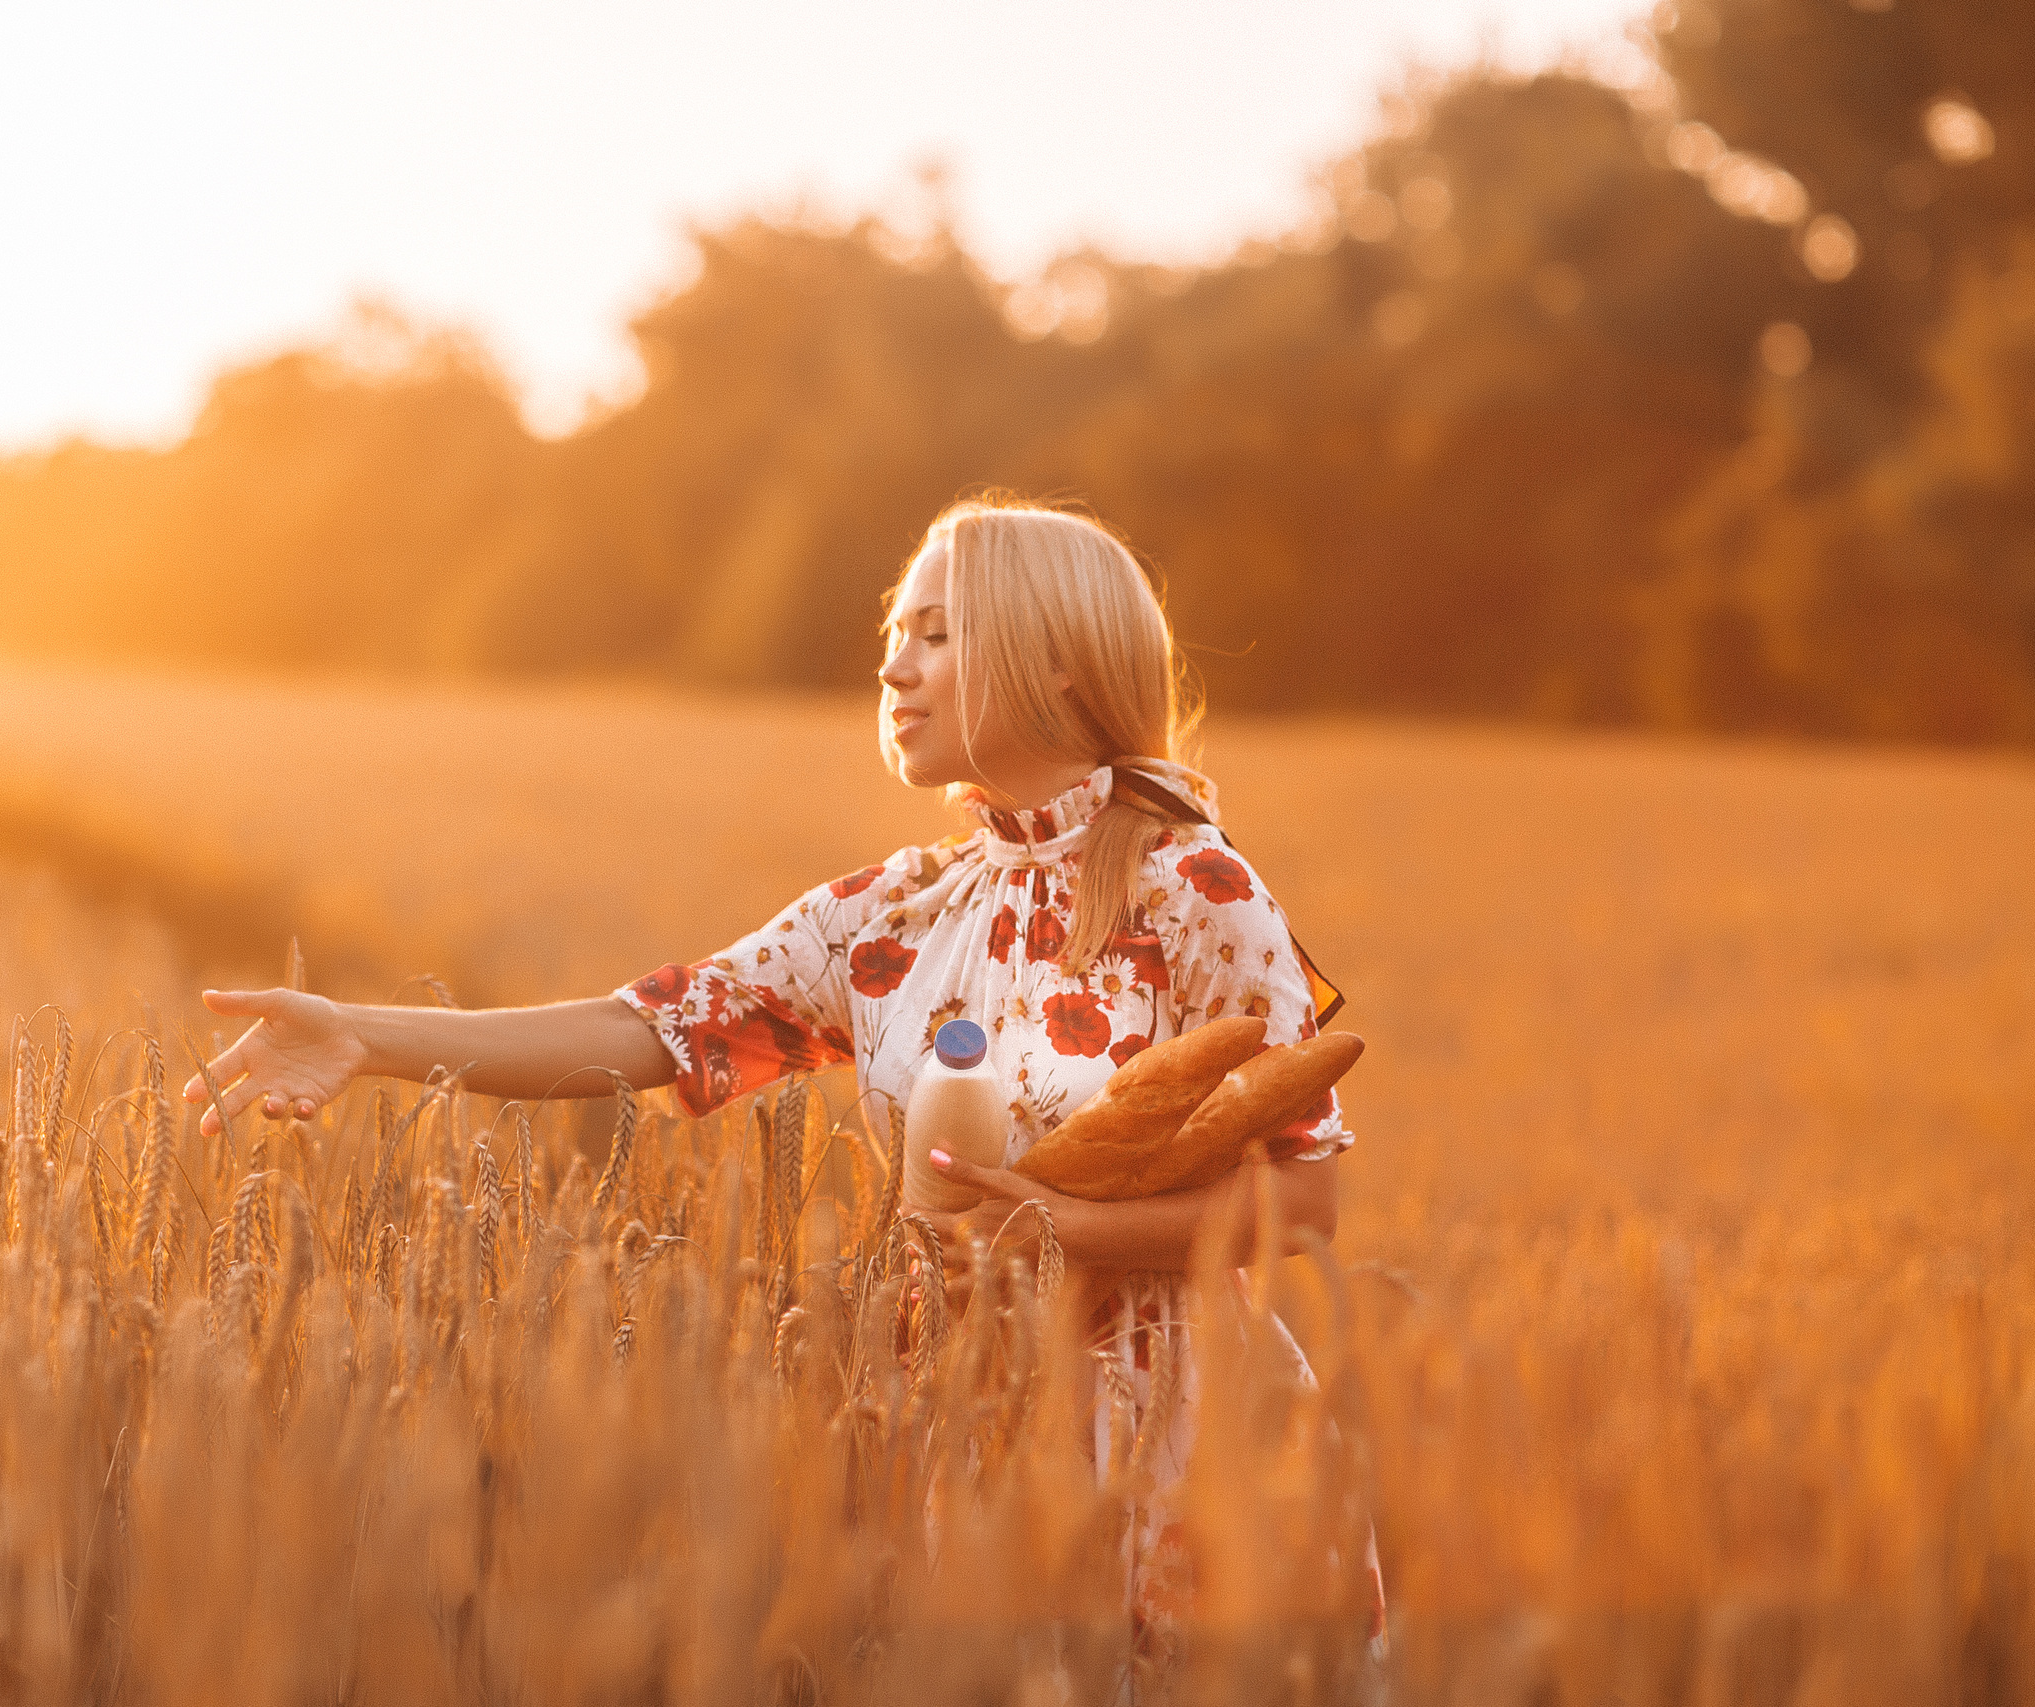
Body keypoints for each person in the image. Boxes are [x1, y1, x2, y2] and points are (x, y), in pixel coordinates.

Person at [185, 494, 1369, 1638]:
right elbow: (649, 1028)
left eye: (936, 633)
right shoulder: (894, 912)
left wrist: (1064, 1235)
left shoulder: (1195, 890)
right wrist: (362, 1035)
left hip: (1181, 1439)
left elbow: (1306, 1196)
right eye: (892, 637)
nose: (895, 668)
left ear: (1061, 662)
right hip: (965, 1419)